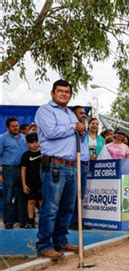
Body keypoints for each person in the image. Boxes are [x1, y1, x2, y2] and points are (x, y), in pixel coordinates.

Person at [35, 79, 85, 259]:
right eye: (60, 91)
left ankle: (61, 241)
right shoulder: (45, 111)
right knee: (51, 207)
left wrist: (81, 129)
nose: (64, 94)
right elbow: (51, 132)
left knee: (67, 207)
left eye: (67, 92)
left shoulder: (71, 114)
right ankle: (44, 245)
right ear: (53, 93)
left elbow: (76, 135)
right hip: (55, 165)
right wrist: (73, 127)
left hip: (71, 166)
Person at [0, 117, 29, 229]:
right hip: (9, 170)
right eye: (13, 126)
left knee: (23, 196)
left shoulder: (24, 138)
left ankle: (23, 221)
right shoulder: (2, 139)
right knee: (8, 196)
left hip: (23, 170)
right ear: (8, 127)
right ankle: (8, 222)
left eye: (17, 125)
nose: (16, 128)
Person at [70, 106, 90, 230]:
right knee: (73, 194)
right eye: (81, 113)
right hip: (74, 163)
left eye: (84, 113)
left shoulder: (84, 129)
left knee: (80, 195)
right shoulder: (71, 128)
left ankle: (78, 221)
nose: (84, 115)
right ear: (74, 114)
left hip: (83, 164)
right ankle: (72, 221)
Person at [20, 133, 42, 228]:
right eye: (32, 142)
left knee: (42, 201)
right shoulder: (25, 155)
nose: (35, 144)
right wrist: (24, 184)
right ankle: (31, 221)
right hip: (30, 182)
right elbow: (23, 170)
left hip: (42, 182)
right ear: (27, 143)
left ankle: (43, 221)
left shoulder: (44, 153)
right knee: (31, 201)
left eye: (36, 141)